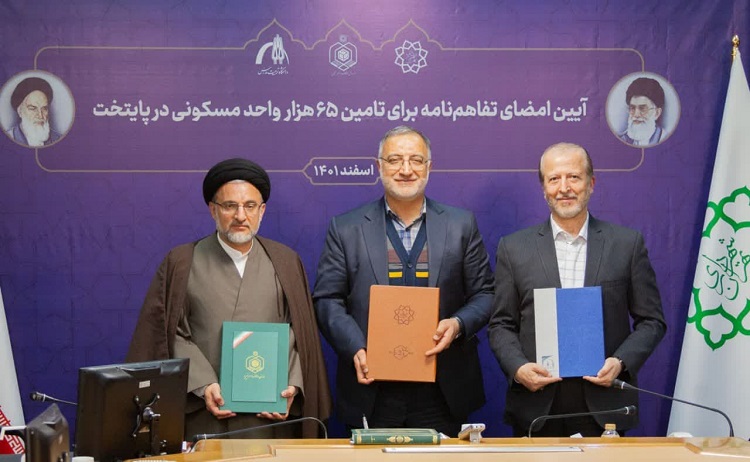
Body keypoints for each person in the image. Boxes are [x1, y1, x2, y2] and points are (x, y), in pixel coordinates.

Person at [127, 158, 331, 439]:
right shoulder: (182, 262)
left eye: (250, 206)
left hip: (269, 418)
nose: (240, 216)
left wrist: (291, 386)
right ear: (213, 210)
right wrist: (203, 384)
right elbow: (168, 334)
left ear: (262, 211)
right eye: (229, 206)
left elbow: (300, 335)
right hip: (204, 413)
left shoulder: (286, 261)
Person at [313, 126, 494, 436]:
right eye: (395, 160)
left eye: (416, 160)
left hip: (443, 389)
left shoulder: (461, 224)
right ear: (379, 166)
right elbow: (327, 299)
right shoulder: (346, 228)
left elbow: (485, 294)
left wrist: (457, 325)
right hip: (373, 388)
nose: (406, 169)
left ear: (429, 167)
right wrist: (356, 347)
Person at [488, 142, 666, 437]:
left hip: (604, 407)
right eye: (554, 179)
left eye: (574, 177)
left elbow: (652, 321)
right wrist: (518, 368)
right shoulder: (514, 248)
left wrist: (620, 363)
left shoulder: (626, 244)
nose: (564, 188)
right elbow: (501, 325)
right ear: (543, 188)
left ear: (591, 183)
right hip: (537, 407)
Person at [6, 77, 62, 147]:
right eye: (33, 108)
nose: (40, 115)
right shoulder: (6, 139)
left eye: (44, 109)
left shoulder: (59, 139)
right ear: (20, 111)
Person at [618, 77, 666, 147]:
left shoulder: (665, 138)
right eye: (632, 108)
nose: (636, 114)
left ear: (657, 113)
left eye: (642, 109)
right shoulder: (622, 140)